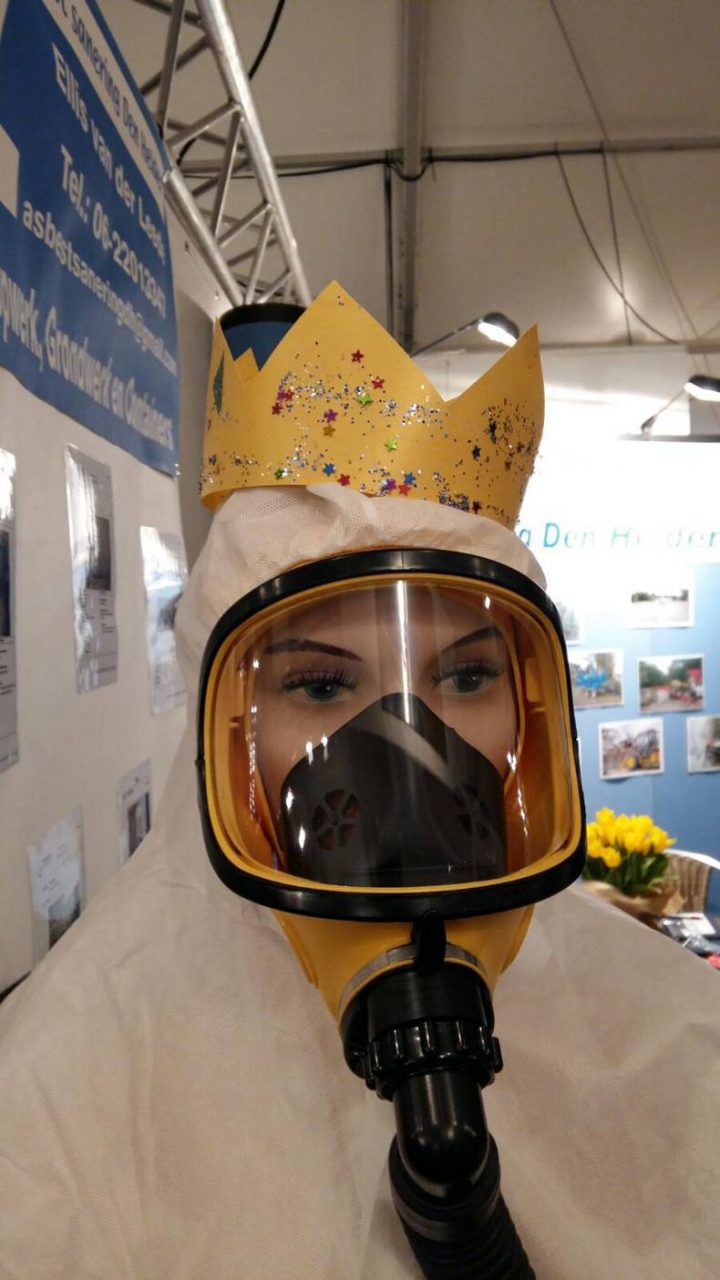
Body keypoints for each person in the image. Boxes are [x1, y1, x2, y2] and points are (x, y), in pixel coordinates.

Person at [0, 284, 718, 1279]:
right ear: (226, 730)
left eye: (466, 677)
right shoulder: (54, 1101)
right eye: (320, 684)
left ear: (531, 704)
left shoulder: (668, 1036)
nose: (406, 753)